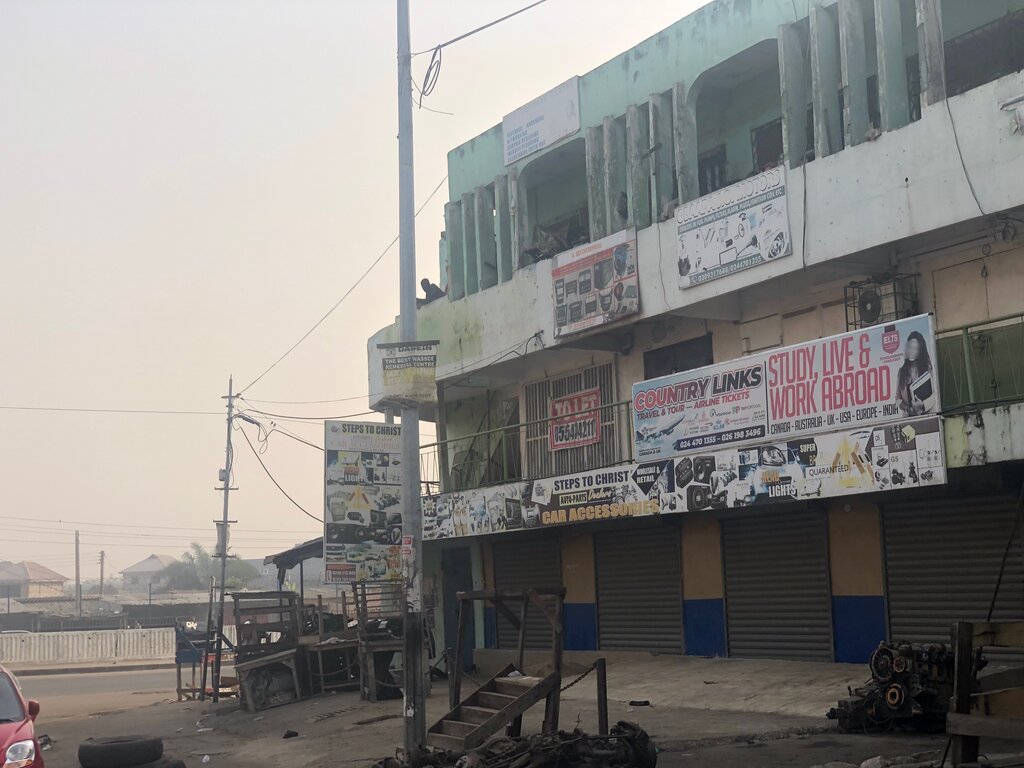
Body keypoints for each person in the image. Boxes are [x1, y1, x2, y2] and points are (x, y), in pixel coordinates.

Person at [896, 330, 934, 415]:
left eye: (915, 348)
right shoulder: (901, 372)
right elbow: (897, 398)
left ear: (920, 351)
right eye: (910, 347)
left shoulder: (928, 370)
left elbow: (935, 395)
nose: (911, 351)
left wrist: (923, 405)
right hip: (908, 419)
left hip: (927, 415)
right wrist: (907, 408)